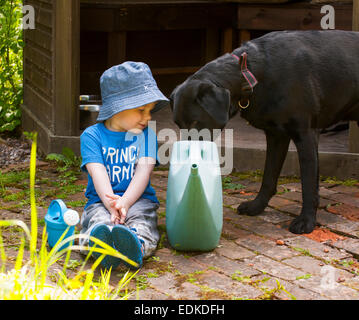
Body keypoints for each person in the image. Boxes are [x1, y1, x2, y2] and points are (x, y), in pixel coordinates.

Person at [79, 61, 169, 270]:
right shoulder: (91, 136)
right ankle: (99, 245)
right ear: (118, 106)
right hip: (102, 201)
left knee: (142, 223)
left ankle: (135, 245)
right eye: (141, 110)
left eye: (150, 111)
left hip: (138, 201)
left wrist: (126, 203)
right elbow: (98, 173)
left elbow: (143, 173)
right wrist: (112, 204)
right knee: (99, 220)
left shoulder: (147, 136)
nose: (147, 117)